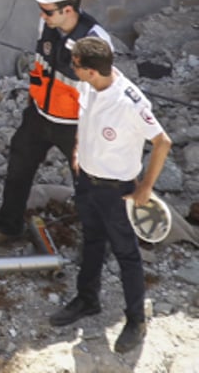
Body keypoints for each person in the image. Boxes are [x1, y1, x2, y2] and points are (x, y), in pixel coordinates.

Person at [49, 37, 171, 354]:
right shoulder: (90, 85)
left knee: (126, 254)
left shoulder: (130, 102)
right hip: (88, 182)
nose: (71, 67)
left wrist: (144, 188)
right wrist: (78, 149)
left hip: (118, 191)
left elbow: (163, 142)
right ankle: (88, 299)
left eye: (75, 65)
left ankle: (135, 320)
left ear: (90, 70)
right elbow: (85, 119)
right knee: (91, 240)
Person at [0, 0, 111, 251]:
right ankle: (8, 227)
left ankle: (94, 248)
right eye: (41, 8)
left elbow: (103, 95)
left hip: (75, 128)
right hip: (38, 116)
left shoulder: (95, 42)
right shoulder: (47, 26)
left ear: (68, 9)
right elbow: (42, 69)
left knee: (87, 188)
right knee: (18, 170)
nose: (42, 15)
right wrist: (32, 105)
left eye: (48, 10)